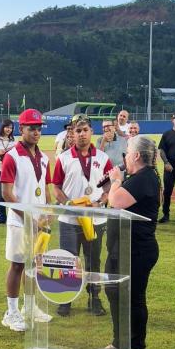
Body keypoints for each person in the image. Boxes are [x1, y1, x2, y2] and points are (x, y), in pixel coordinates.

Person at [101, 136, 160, 349]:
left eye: (127, 151)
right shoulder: (135, 178)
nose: (124, 156)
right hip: (121, 247)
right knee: (114, 292)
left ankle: (136, 346)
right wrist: (113, 185)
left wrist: (116, 180)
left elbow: (116, 202)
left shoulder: (145, 178)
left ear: (136, 155)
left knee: (134, 296)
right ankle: (119, 341)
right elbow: (112, 201)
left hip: (137, 249)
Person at [52, 115, 113, 317]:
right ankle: (66, 299)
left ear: (91, 132)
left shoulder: (103, 158)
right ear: (72, 134)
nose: (81, 134)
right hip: (69, 219)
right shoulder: (63, 158)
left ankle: (94, 298)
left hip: (95, 218)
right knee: (69, 260)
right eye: (77, 131)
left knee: (93, 260)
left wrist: (101, 201)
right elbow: (56, 187)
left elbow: (109, 185)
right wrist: (67, 203)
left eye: (85, 130)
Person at [0, 108, 52, 332]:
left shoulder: (44, 157)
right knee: (18, 264)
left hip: (40, 222)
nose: (36, 132)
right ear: (21, 129)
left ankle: (29, 307)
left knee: (33, 265)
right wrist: (29, 217)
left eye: (39, 128)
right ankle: (11, 312)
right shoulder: (12, 156)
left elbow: (45, 188)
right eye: (32, 128)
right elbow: (7, 193)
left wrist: (48, 213)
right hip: (21, 221)